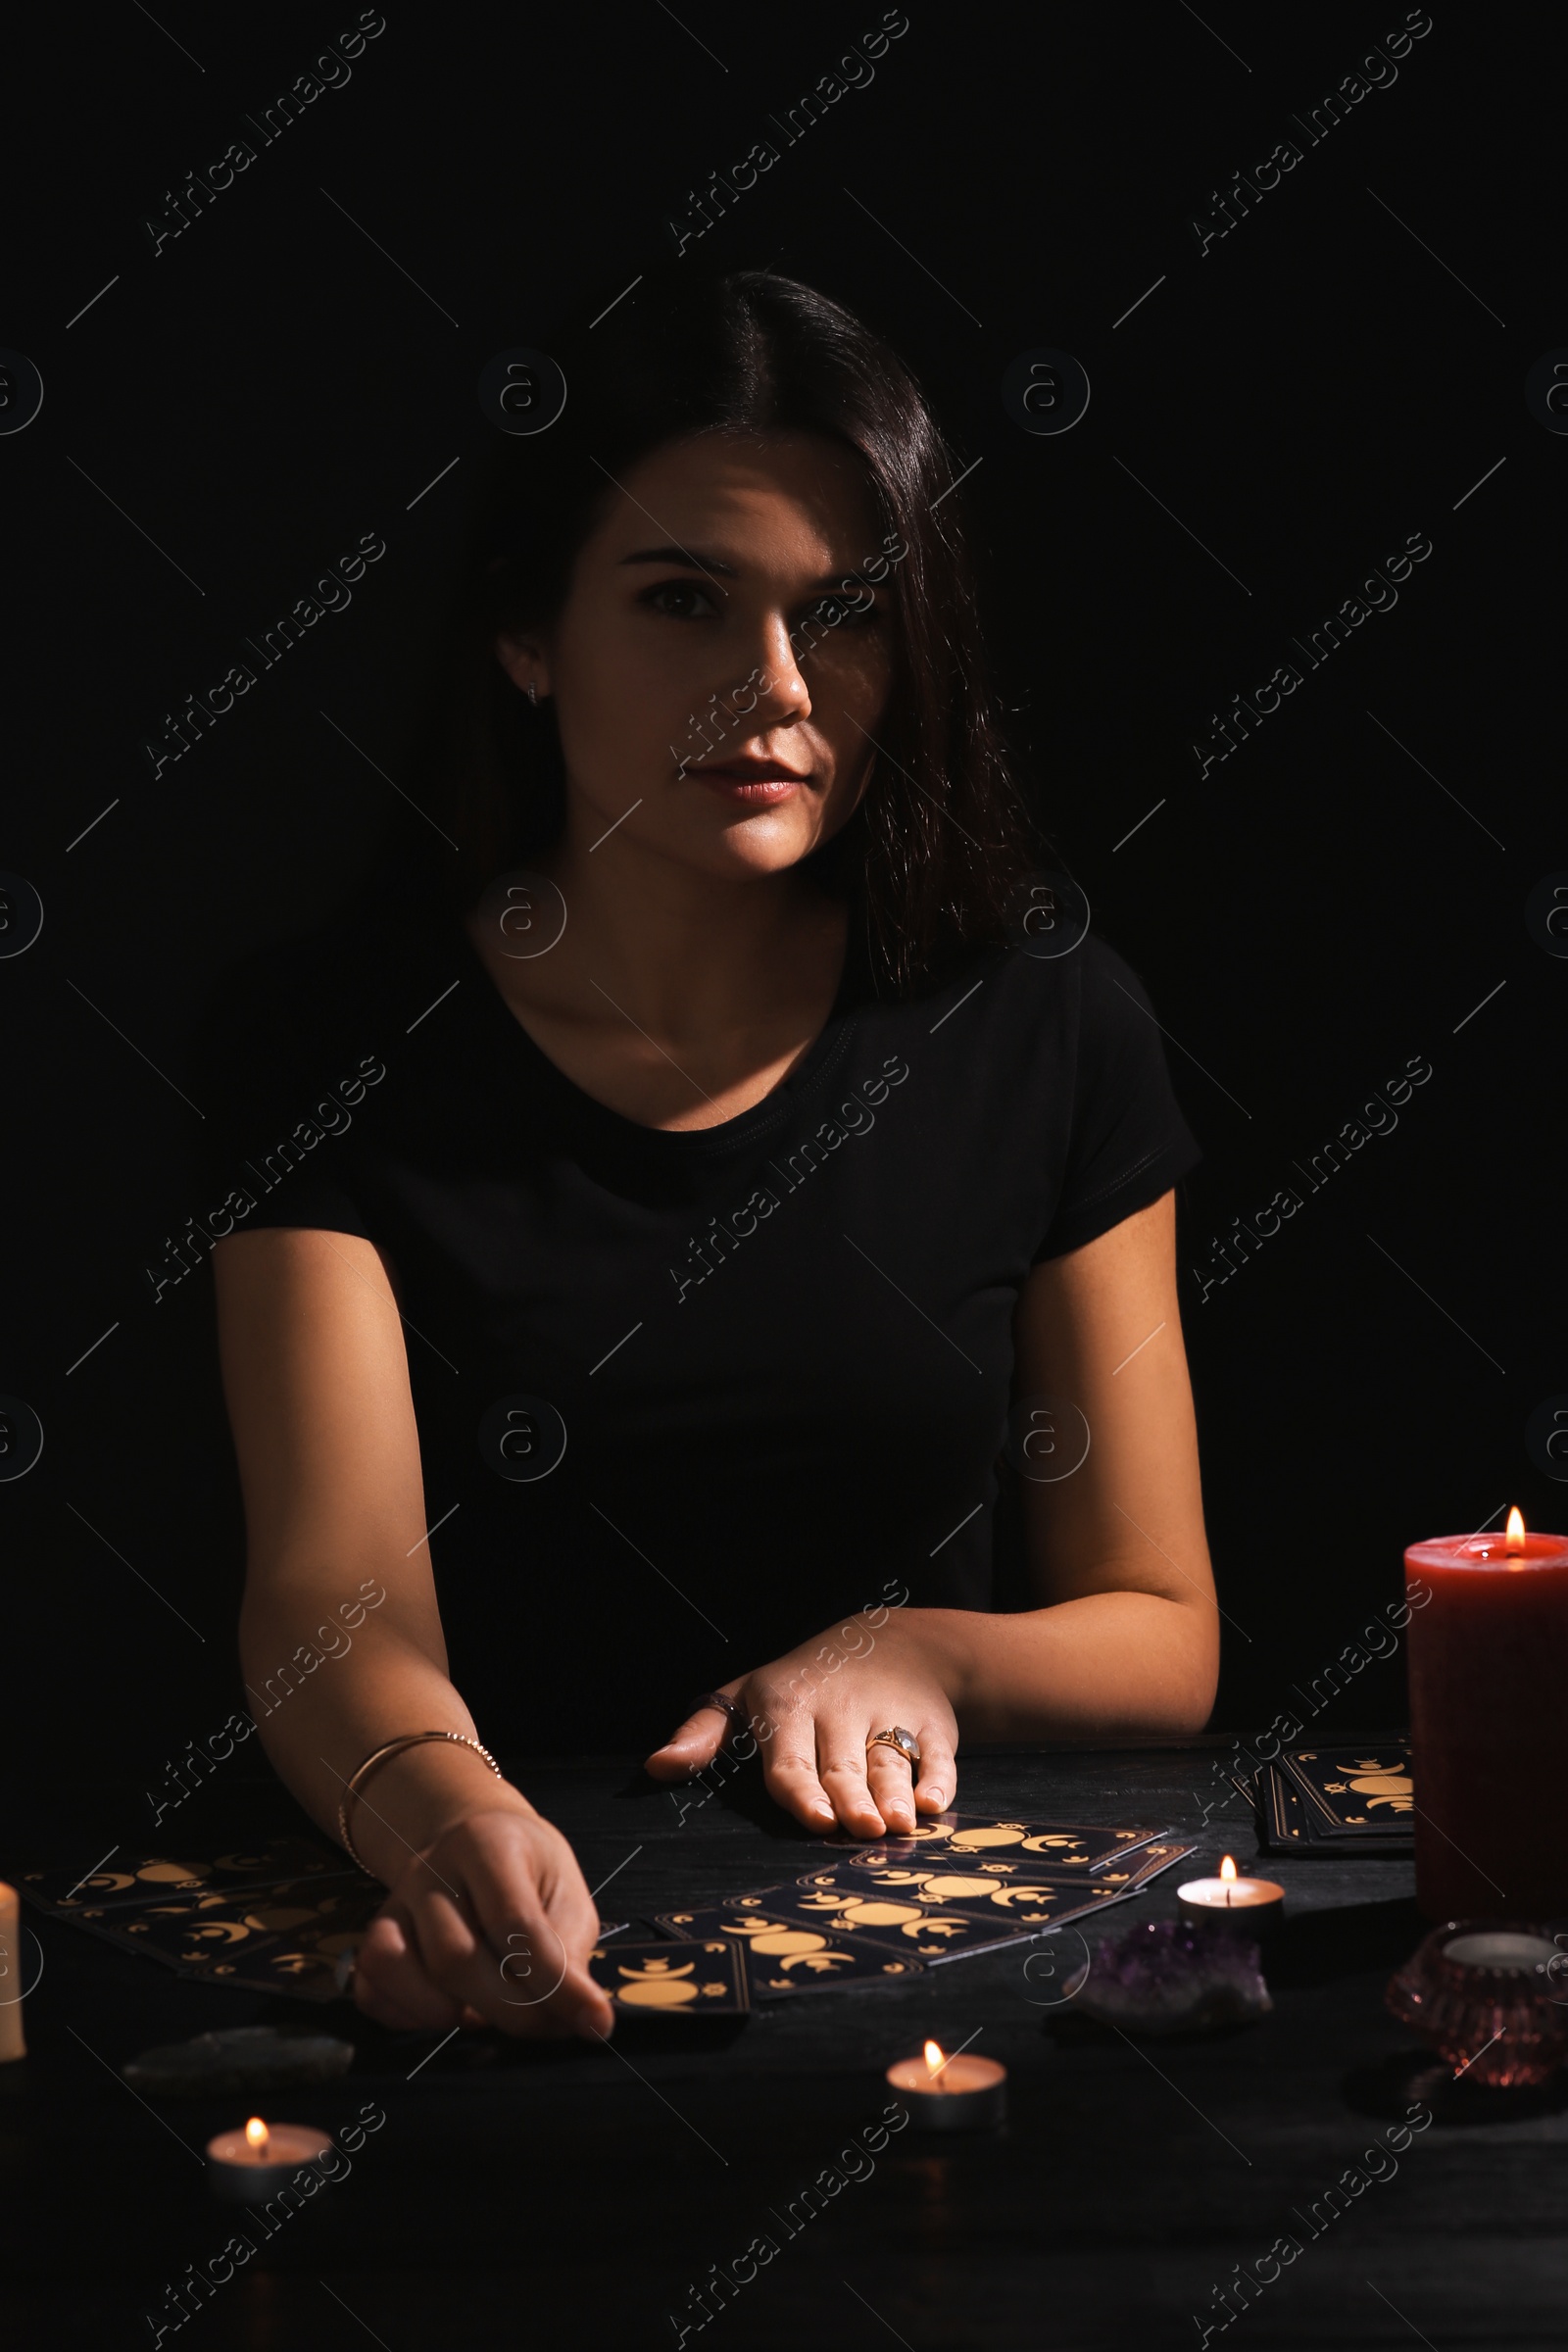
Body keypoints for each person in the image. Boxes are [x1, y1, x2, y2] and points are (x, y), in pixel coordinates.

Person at [200, 267, 1217, 2044]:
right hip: (485, 1963)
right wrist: (449, 1817)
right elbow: (325, 1596)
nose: (772, 687)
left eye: (844, 614)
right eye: (684, 600)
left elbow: (1161, 1622)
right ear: (527, 635)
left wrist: (918, 1647)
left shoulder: (1047, 1023)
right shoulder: (331, 1049)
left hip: (931, 1984)